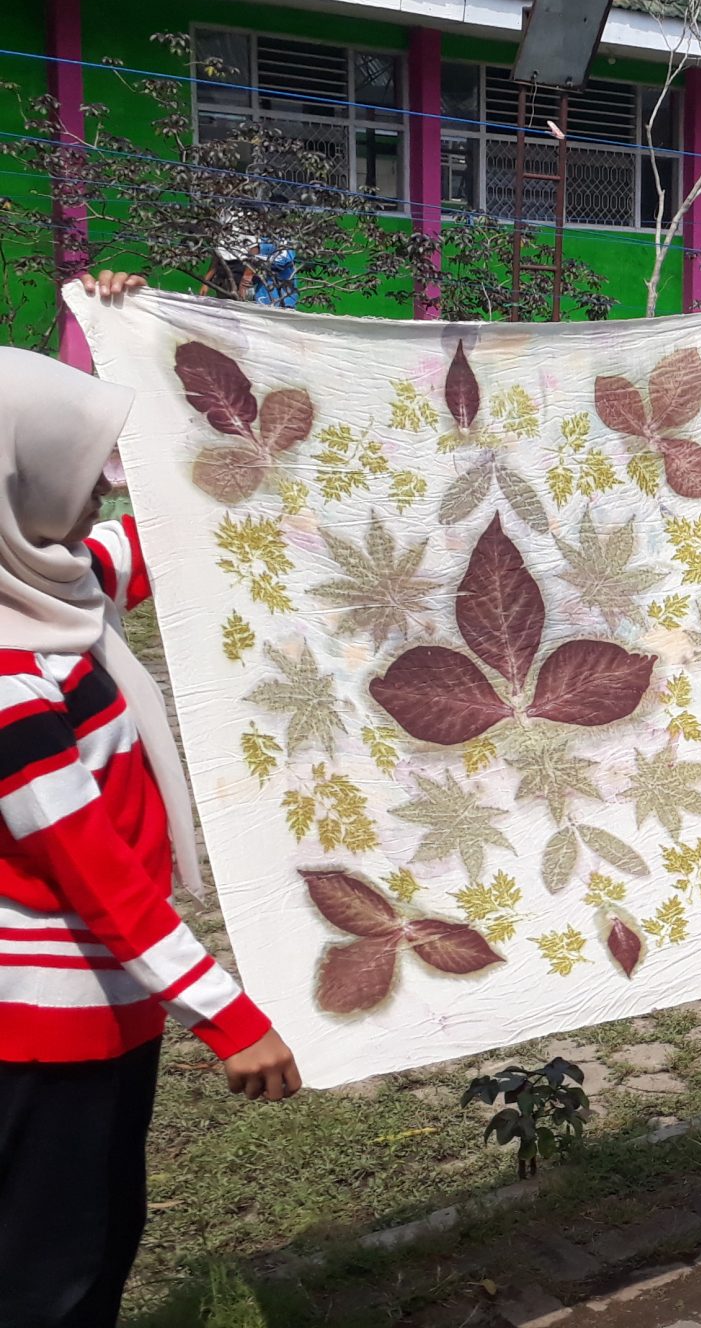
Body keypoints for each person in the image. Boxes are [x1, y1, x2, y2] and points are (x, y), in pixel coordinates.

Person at [5, 274, 303, 1328]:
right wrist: (229, 1017)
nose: (105, 491)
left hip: (102, 1011)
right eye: (82, 473)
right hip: (44, 1032)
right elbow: (98, 875)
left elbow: (192, 526)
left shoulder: (54, 584)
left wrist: (120, 332)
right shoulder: (8, 668)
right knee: (52, 1277)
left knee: (93, 1240)